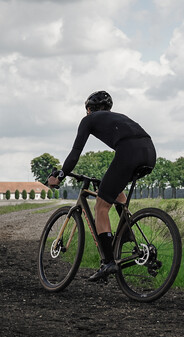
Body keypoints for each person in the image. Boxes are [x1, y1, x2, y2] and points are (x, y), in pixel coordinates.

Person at [47, 91, 156, 282]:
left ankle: (108, 262)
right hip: (149, 152)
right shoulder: (120, 118)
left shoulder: (88, 119)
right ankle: (126, 235)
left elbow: (75, 153)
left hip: (128, 152)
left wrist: (60, 175)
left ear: (89, 109)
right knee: (114, 192)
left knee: (100, 206)